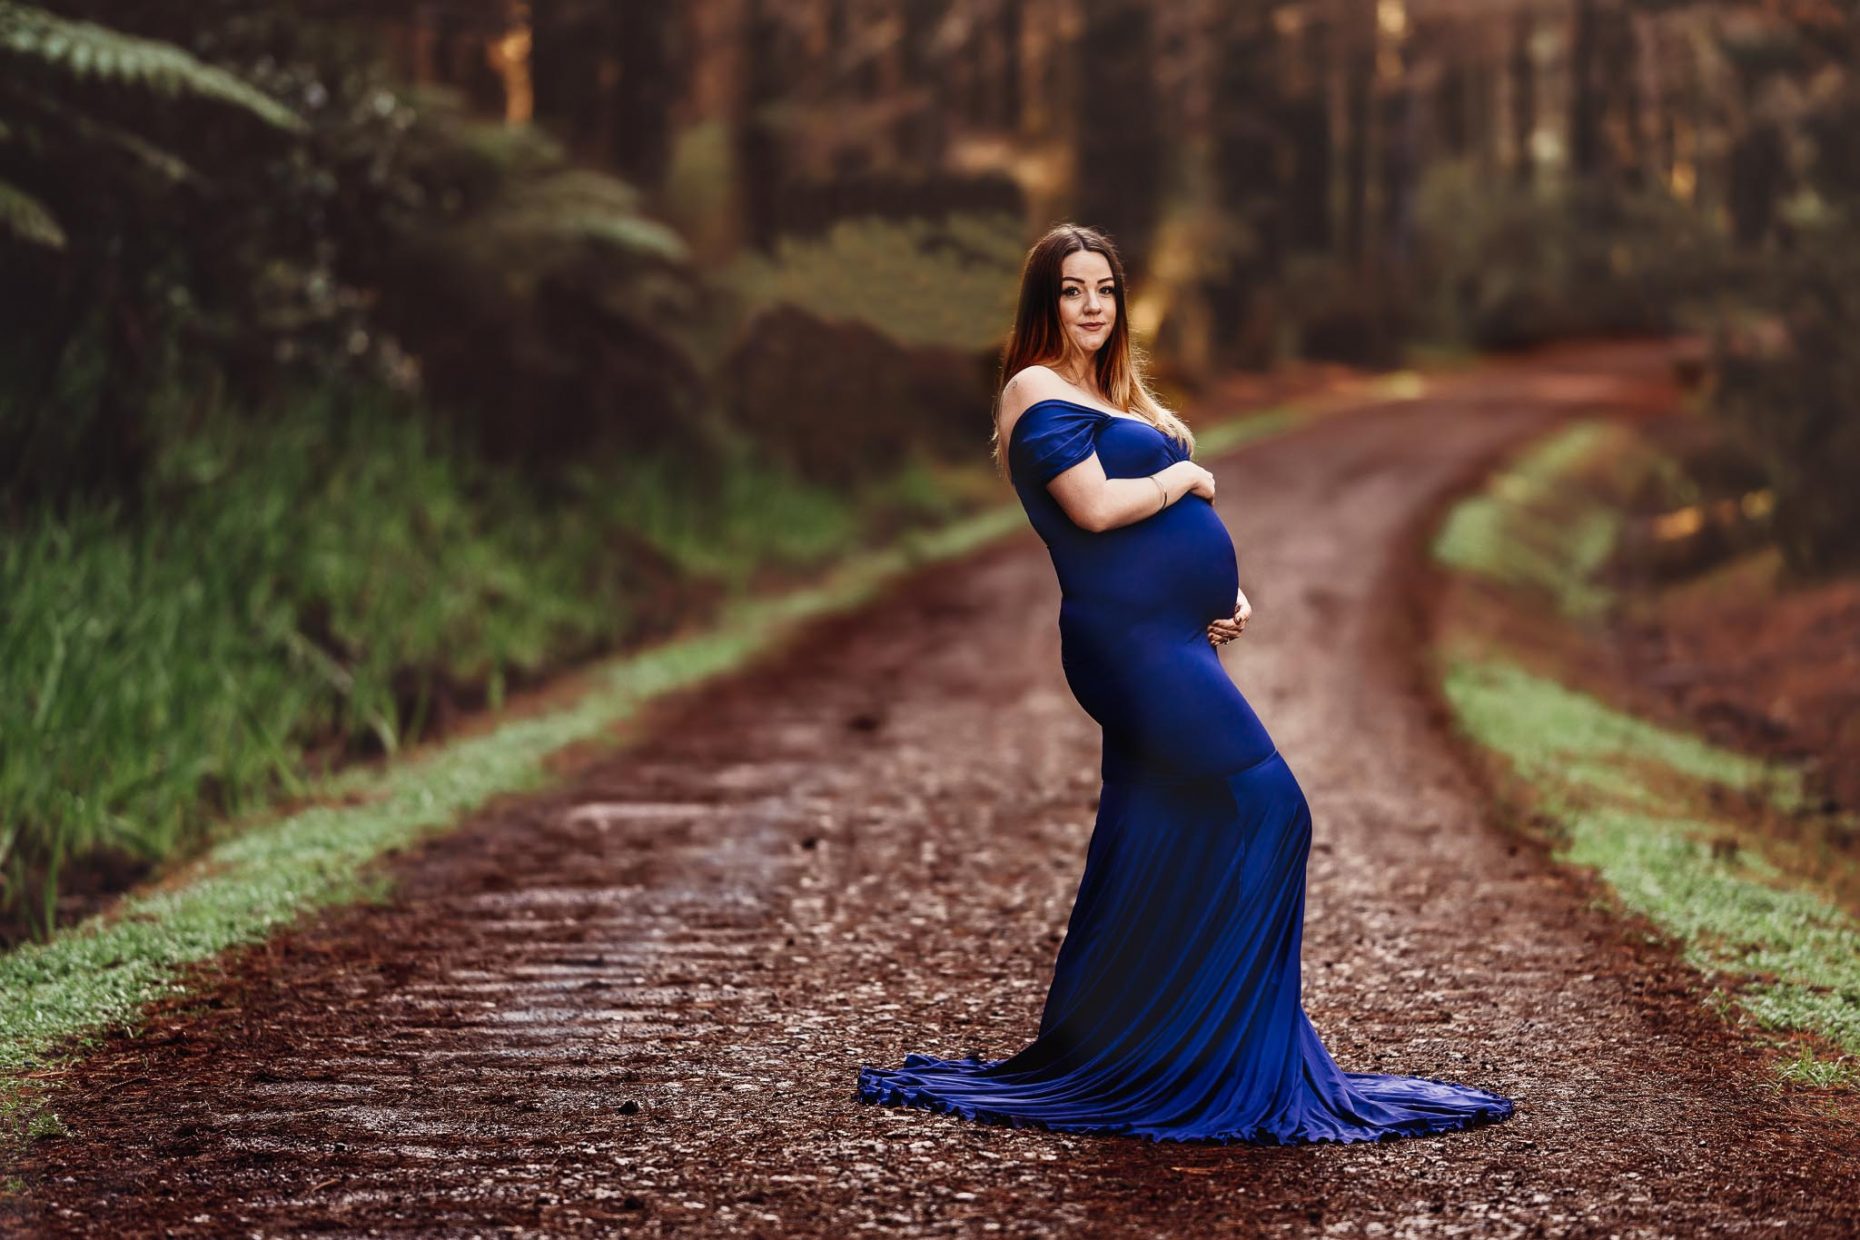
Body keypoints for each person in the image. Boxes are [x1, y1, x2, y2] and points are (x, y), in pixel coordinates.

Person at [855, 224, 1515, 1143]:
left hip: (1171, 638)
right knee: (1272, 809)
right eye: (1072, 291)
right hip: (1127, 646)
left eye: (1105, 290)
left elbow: (1149, 530)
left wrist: (1223, 588)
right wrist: (1186, 482)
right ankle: (1232, 1054)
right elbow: (1091, 509)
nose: (1092, 306)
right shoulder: (1033, 388)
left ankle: (1143, 1046)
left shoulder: (1113, 393)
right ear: (1043, 304)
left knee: (1154, 827)